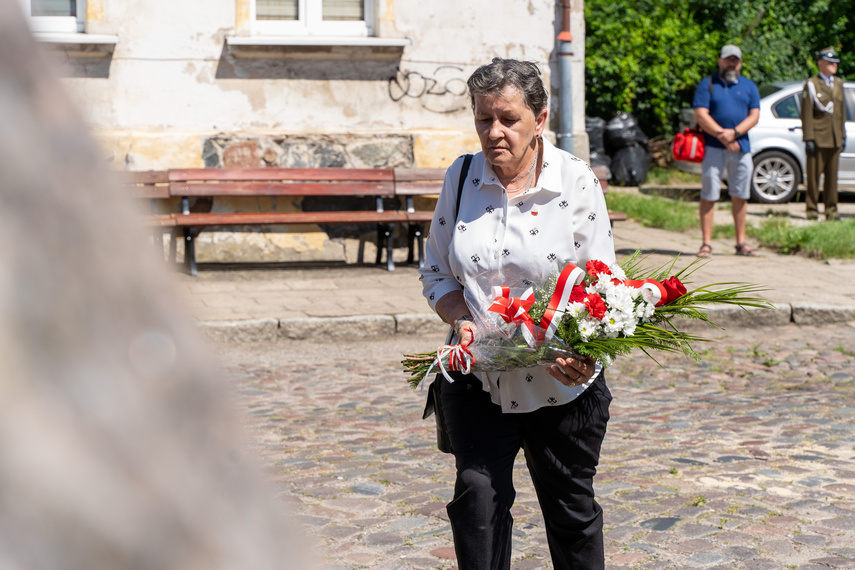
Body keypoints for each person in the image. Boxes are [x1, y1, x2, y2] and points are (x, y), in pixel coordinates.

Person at [418, 58, 616, 569]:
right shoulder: (461, 177)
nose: (494, 132)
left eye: (508, 119)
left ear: (540, 119)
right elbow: (436, 271)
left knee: (571, 512)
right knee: (477, 505)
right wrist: (461, 319)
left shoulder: (573, 182)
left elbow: (604, 287)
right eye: (484, 119)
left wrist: (584, 352)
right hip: (478, 378)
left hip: (561, 385)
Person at [692, 44, 761, 257]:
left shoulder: (749, 86)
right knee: (709, 195)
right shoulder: (708, 84)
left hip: (742, 148)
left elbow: (755, 115)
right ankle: (706, 243)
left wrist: (735, 133)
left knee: (740, 195)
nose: (731, 63)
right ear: (720, 61)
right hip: (713, 148)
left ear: (740, 63)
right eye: (728, 59)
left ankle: (741, 242)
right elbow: (701, 115)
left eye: (735, 60)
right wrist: (723, 135)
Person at [801, 47, 846, 222]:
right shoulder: (812, 84)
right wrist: (808, 138)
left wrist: (842, 135)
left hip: (834, 138)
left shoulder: (838, 84)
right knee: (813, 179)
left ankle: (831, 211)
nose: (834, 65)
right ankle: (812, 210)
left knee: (832, 179)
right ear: (820, 64)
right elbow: (806, 114)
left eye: (835, 62)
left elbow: (840, 112)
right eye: (830, 62)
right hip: (818, 138)